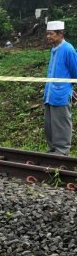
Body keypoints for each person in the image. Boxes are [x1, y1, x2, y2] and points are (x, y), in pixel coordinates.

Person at [43, 20, 77, 156]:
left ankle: (62, 151)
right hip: (50, 93)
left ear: (60, 34)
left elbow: (75, 73)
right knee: (49, 124)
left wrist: (69, 88)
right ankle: (53, 149)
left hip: (61, 93)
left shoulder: (68, 49)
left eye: (51, 34)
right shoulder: (54, 49)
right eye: (47, 34)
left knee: (61, 123)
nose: (48, 36)